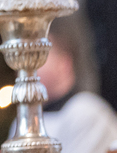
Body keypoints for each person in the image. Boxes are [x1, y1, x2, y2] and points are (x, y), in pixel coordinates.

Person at [34, 22, 117, 153]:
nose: (29, 65)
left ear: (64, 63)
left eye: (39, 57)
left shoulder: (86, 111)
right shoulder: (25, 121)